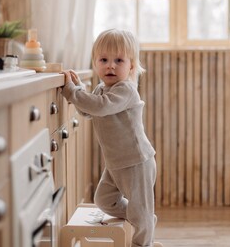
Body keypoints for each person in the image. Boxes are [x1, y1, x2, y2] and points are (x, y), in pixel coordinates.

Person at [61, 29, 163, 247]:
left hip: (136, 161)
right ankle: (143, 217)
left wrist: (72, 93)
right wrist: (78, 89)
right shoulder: (101, 88)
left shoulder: (126, 90)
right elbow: (89, 111)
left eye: (119, 60)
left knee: (139, 212)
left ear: (131, 66)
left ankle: (143, 240)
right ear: (95, 63)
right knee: (103, 200)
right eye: (104, 60)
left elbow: (100, 106)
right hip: (116, 162)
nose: (111, 66)